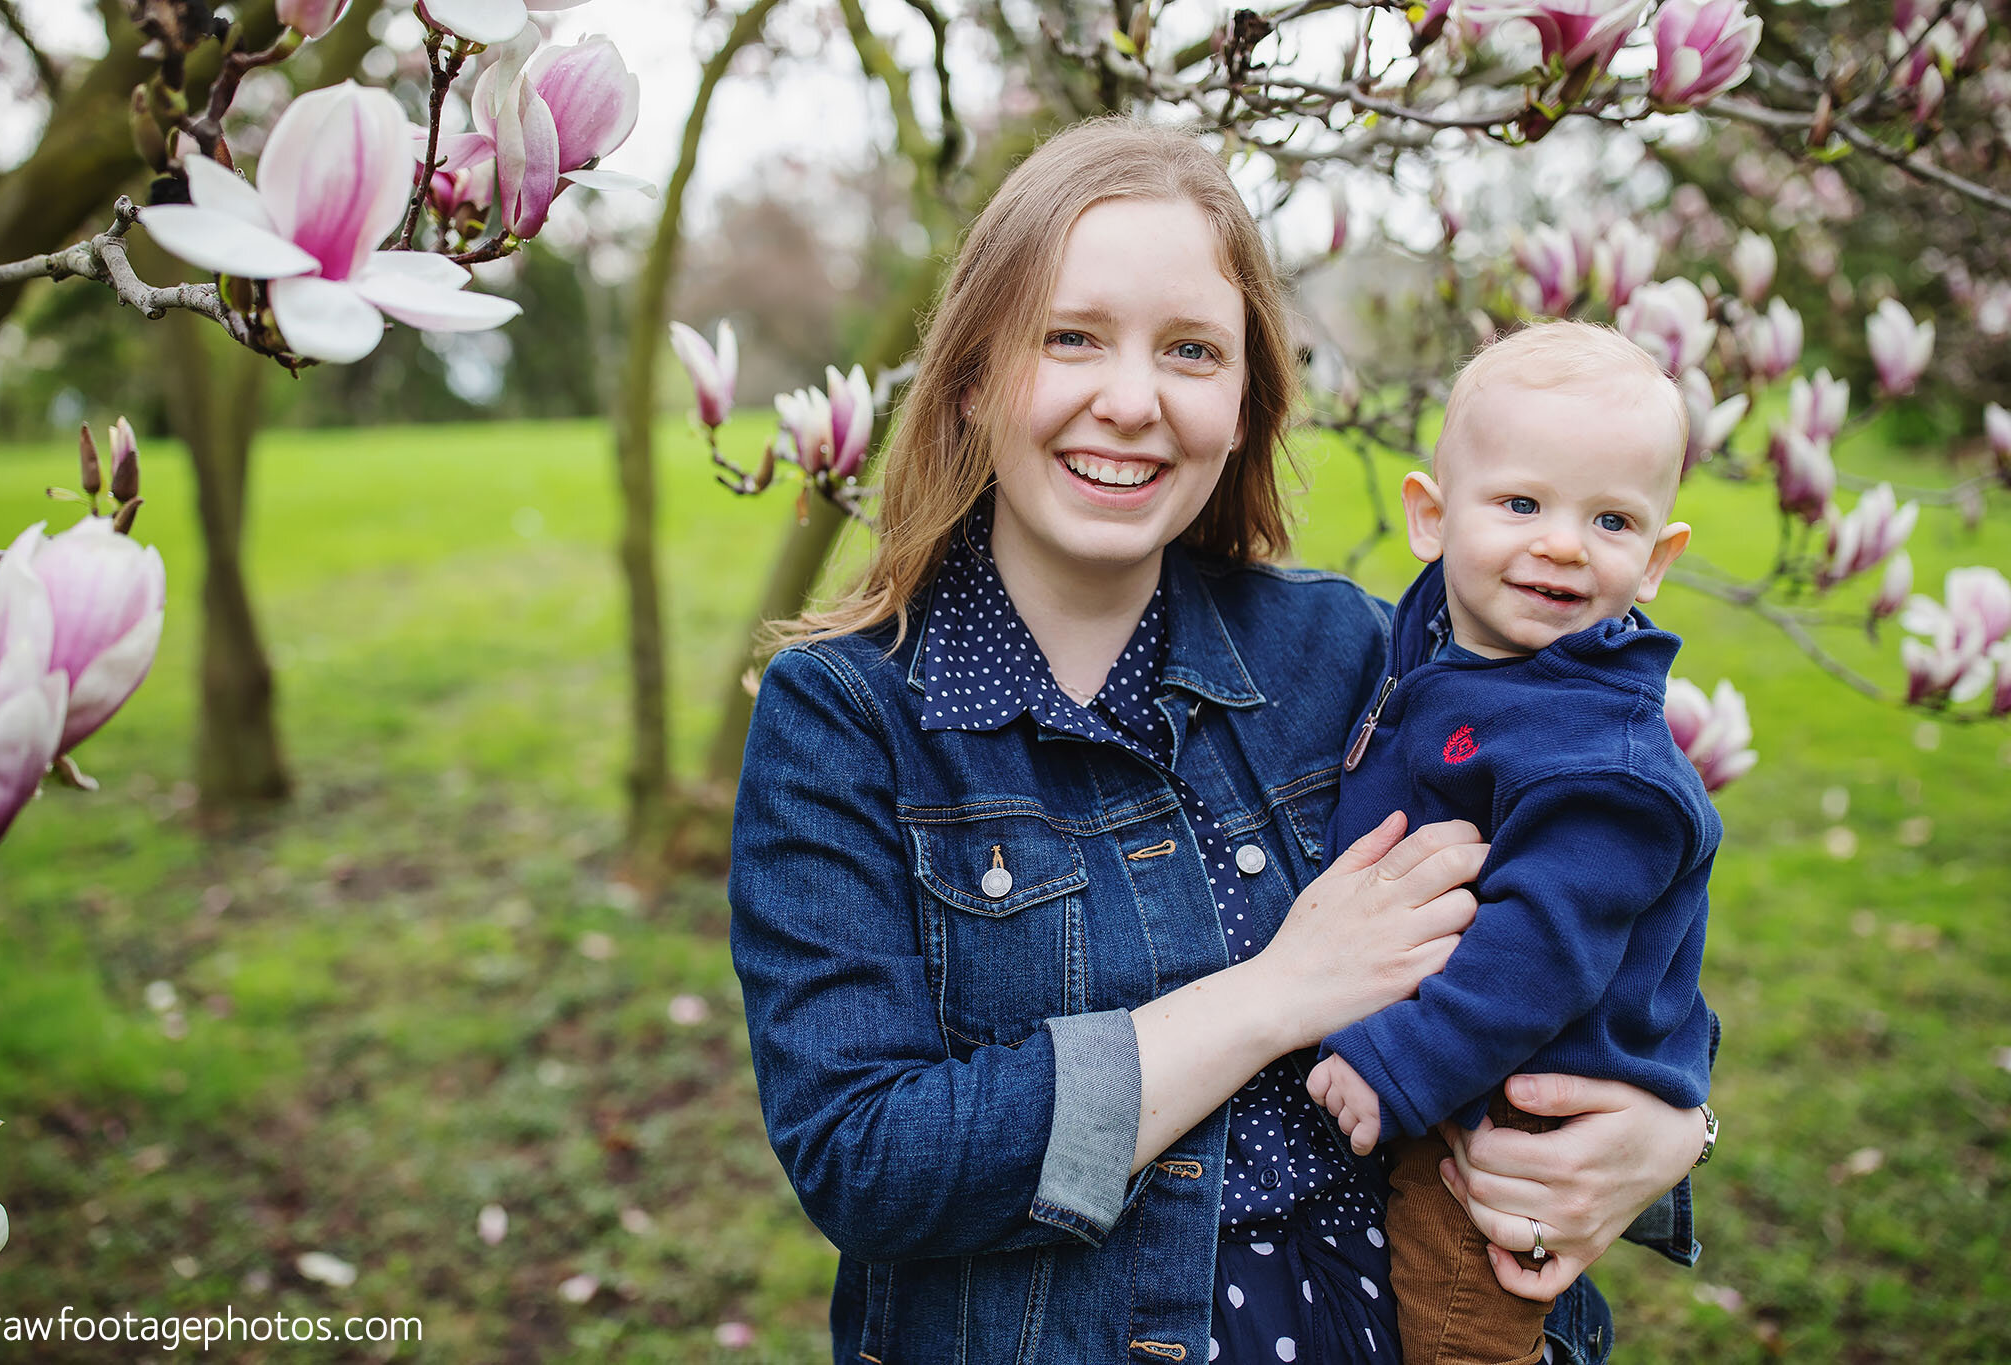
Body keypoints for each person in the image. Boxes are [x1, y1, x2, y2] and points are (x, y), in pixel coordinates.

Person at [728, 119, 1713, 1365]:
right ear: (974, 375)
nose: (1130, 403)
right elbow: (867, 1163)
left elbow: (1604, 887)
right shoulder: (847, 719)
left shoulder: (1356, 655)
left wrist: (1669, 1130)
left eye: (1190, 351)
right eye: (1069, 337)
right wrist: (1269, 996)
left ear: (1242, 400)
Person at [1308, 321, 1720, 1365]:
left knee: (1457, 1318)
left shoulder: (1598, 760)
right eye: (1521, 504)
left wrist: (1397, 1063)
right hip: (1462, 1064)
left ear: (1658, 558)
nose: (1562, 544)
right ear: (1429, 518)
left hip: (1512, 1120)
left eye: (1611, 519)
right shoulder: (1458, 646)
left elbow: (1539, 954)